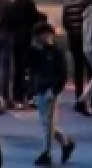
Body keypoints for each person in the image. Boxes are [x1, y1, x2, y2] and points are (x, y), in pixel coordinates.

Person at [26, 21, 75, 166]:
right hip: (39, 89)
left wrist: (54, 90)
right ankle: (65, 142)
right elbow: (31, 72)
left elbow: (61, 74)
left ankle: (46, 152)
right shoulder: (33, 52)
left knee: (47, 124)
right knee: (46, 124)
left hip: (49, 91)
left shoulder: (55, 53)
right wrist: (31, 91)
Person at [6, 0, 42, 108]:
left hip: (16, 40)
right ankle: (30, 95)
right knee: (30, 69)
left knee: (18, 70)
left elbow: (8, 22)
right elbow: (36, 18)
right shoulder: (29, 4)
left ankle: (18, 96)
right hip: (28, 39)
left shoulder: (13, 5)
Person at [61, 0, 90, 114]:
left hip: (73, 38)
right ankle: (90, 97)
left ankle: (78, 97)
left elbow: (65, 22)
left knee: (77, 69)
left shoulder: (67, 3)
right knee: (90, 68)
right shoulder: (85, 2)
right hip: (85, 37)